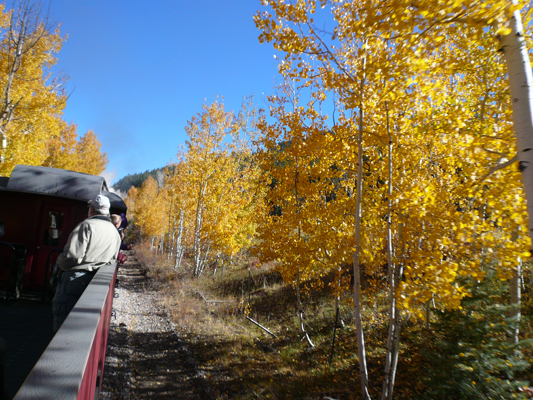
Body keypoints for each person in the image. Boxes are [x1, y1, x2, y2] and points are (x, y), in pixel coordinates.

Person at [52, 194, 121, 331]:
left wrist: (59, 262)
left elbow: (73, 257)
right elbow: (113, 259)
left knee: (63, 321)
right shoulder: (114, 231)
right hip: (98, 280)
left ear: (92, 209)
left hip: (74, 280)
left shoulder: (86, 225)